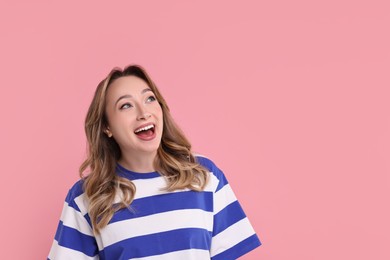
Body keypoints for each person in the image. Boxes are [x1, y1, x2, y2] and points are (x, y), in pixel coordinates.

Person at [48, 64, 261, 259]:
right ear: (107, 127)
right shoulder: (86, 197)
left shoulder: (204, 176)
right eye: (126, 106)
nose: (144, 113)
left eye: (149, 99)